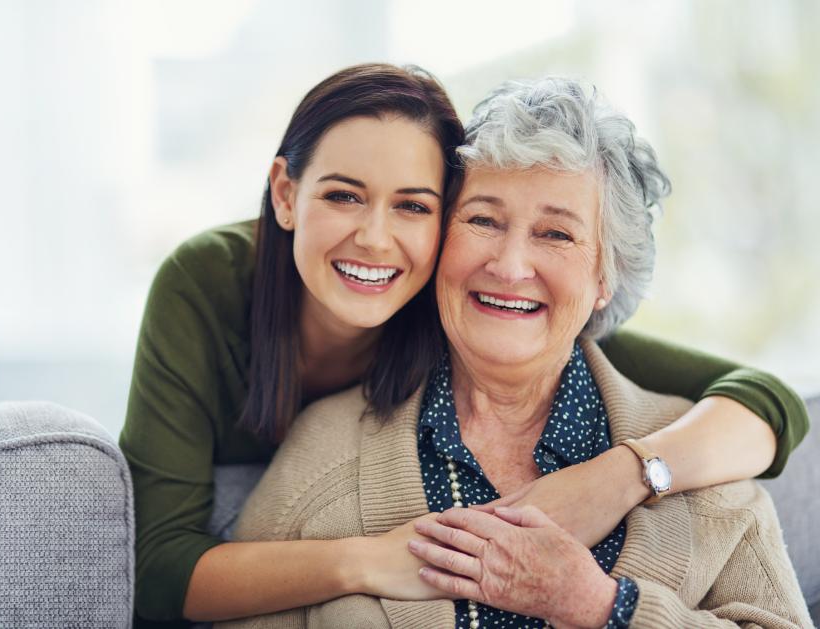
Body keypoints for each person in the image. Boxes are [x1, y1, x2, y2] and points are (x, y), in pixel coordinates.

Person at [119, 64, 809, 625]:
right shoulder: (309, 433)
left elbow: (769, 398)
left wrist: (606, 595)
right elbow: (159, 571)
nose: (509, 266)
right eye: (484, 219)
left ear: (607, 277)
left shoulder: (704, 475)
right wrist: (370, 559)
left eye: (557, 233)